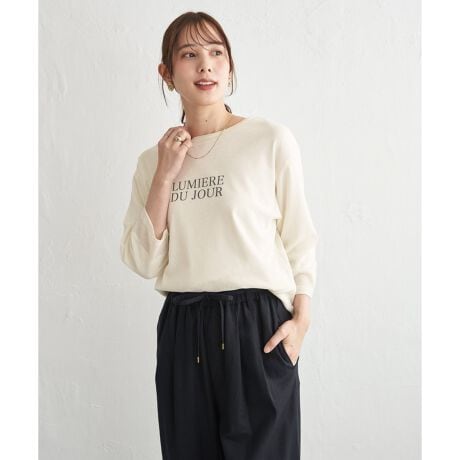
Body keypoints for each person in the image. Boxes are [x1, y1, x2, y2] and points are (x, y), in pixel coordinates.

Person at [120, 11, 319, 460]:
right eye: (189, 55)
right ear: (167, 73)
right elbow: (143, 260)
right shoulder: (152, 163)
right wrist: (165, 176)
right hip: (184, 326)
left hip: (257, 326)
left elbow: (299, 236)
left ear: (230, 66)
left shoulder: (268, 140)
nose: (205, 65)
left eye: (216, 53)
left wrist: (301, 321)